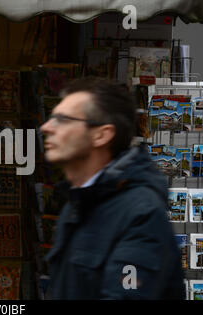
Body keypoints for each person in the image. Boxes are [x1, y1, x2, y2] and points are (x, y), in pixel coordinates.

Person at [39, 77, 185, 300]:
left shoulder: (141, 214)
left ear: (102, 134)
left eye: (63, 119)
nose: (46, 127)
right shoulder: (78, 203)